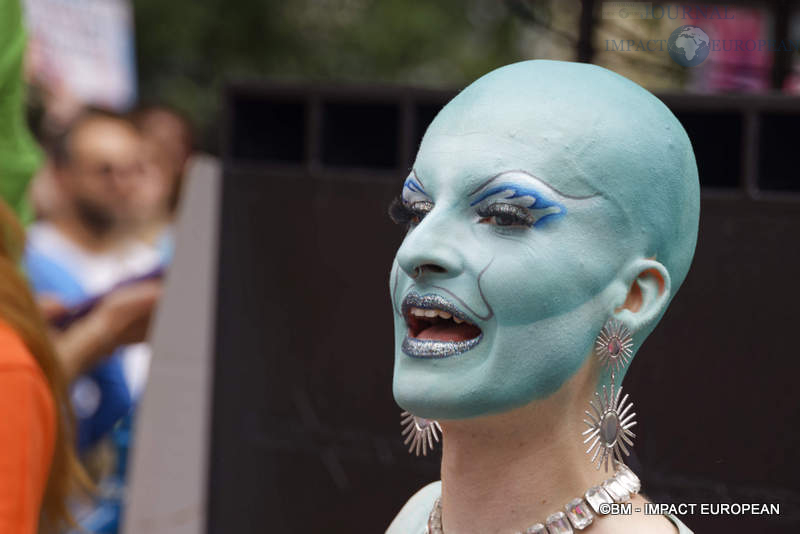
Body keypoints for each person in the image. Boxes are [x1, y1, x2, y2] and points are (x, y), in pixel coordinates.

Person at [386, 61, 698, 534]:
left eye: (503, 215)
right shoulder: (417, 518)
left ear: (633, 295)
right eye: (417, 210)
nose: (416, 250)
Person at [24, 110, 162, 453]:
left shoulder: (153, 266)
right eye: (105, 170)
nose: (121, 182)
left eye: (133, 170)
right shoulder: (24, 263)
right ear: (61, 174)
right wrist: (102, 333)